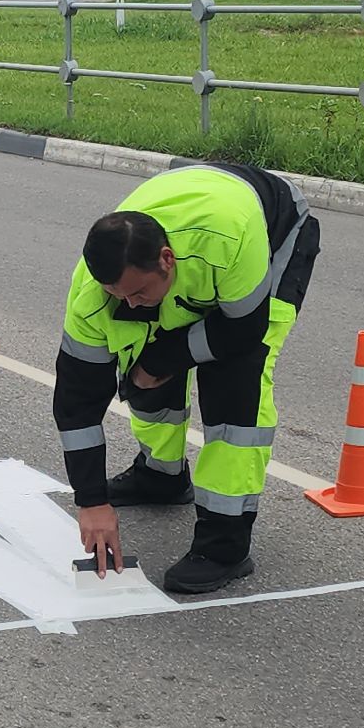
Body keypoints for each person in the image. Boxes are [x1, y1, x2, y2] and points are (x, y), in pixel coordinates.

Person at [53, 163, 321, 593]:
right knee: (137, 362)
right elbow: (76, 400)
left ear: (166, 260)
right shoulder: (92, 297)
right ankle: (160, 476)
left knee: (237, 387)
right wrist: (91, 501)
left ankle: (225, 544)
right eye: (118, 295)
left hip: (270, 232)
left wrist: (165, 358)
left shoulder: (227, 242)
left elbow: (242, 331)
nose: (131, 304)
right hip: (200, 242)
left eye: (139, 293)